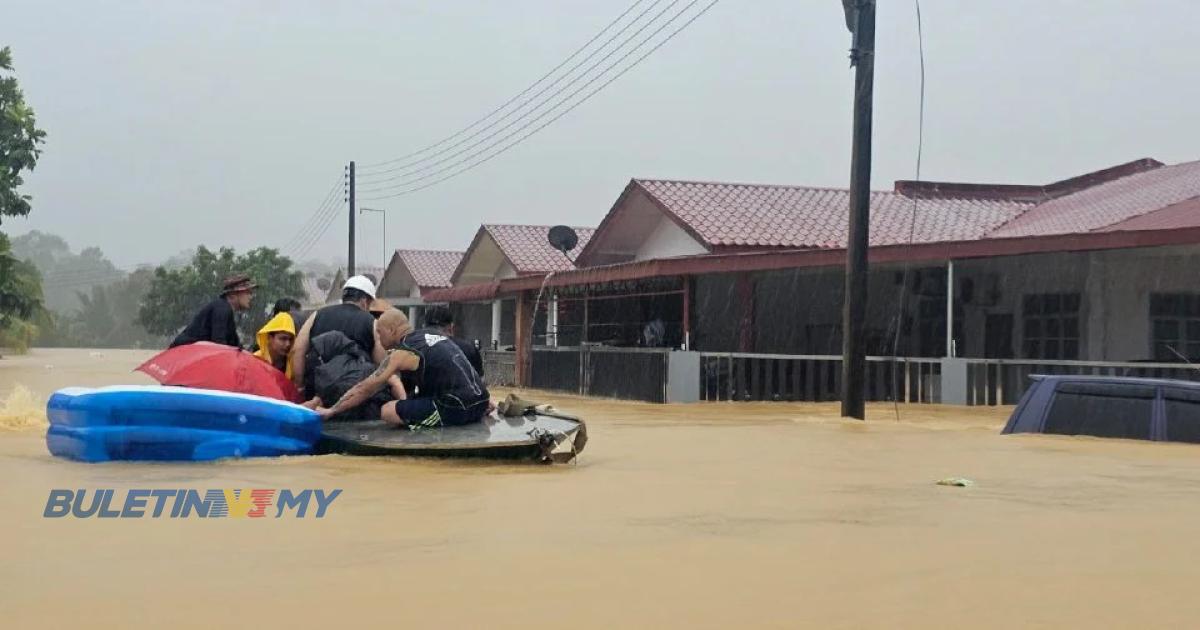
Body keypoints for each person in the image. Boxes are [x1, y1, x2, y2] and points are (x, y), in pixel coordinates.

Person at [315, 310, 491, 428]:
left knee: (388, 411)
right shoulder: (433, 336)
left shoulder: (403, 351)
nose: (378, 337)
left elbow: (365, 388)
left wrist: (332, 410)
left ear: (392, 330)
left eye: (379, 332)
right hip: (481, 402)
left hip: (457, 407)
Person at [290, 275, 386, 398]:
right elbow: (381, 363)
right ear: (364, 300)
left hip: (316, 391)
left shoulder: (317, 314)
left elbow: (297, 350)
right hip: (353, 396)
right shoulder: (371, 321)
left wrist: (300, 385)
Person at [169, 274, 256, 348]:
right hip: (184, 353)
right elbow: (219, 346)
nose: (250, 297)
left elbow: (234, 344)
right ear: (232, 295)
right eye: (247, 292)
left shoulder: (225, 310)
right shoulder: (222, 309)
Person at [422, 305, 484, 376]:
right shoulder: (468, 349)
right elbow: (479, 381)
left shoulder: (415, 348)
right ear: (451, 327)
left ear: (424, 326)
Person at [252, 311, 296, 378]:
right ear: (270, 338)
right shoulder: (255, 360)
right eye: (283, 339)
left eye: (291, 339)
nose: (288, 344)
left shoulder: (294, 364)